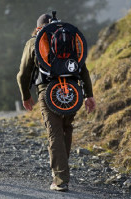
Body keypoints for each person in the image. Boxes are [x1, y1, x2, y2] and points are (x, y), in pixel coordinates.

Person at [17, 14, 96, 192]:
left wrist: (25, 95)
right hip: (72, 91)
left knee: (54, 133)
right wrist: (88, 95)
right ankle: (62, 172)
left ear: (38, 28)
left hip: (48, 91)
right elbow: (82, 67)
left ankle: (60, 179)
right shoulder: (69, 39)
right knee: (66, 129)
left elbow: (23, 74)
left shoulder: (34, 42)